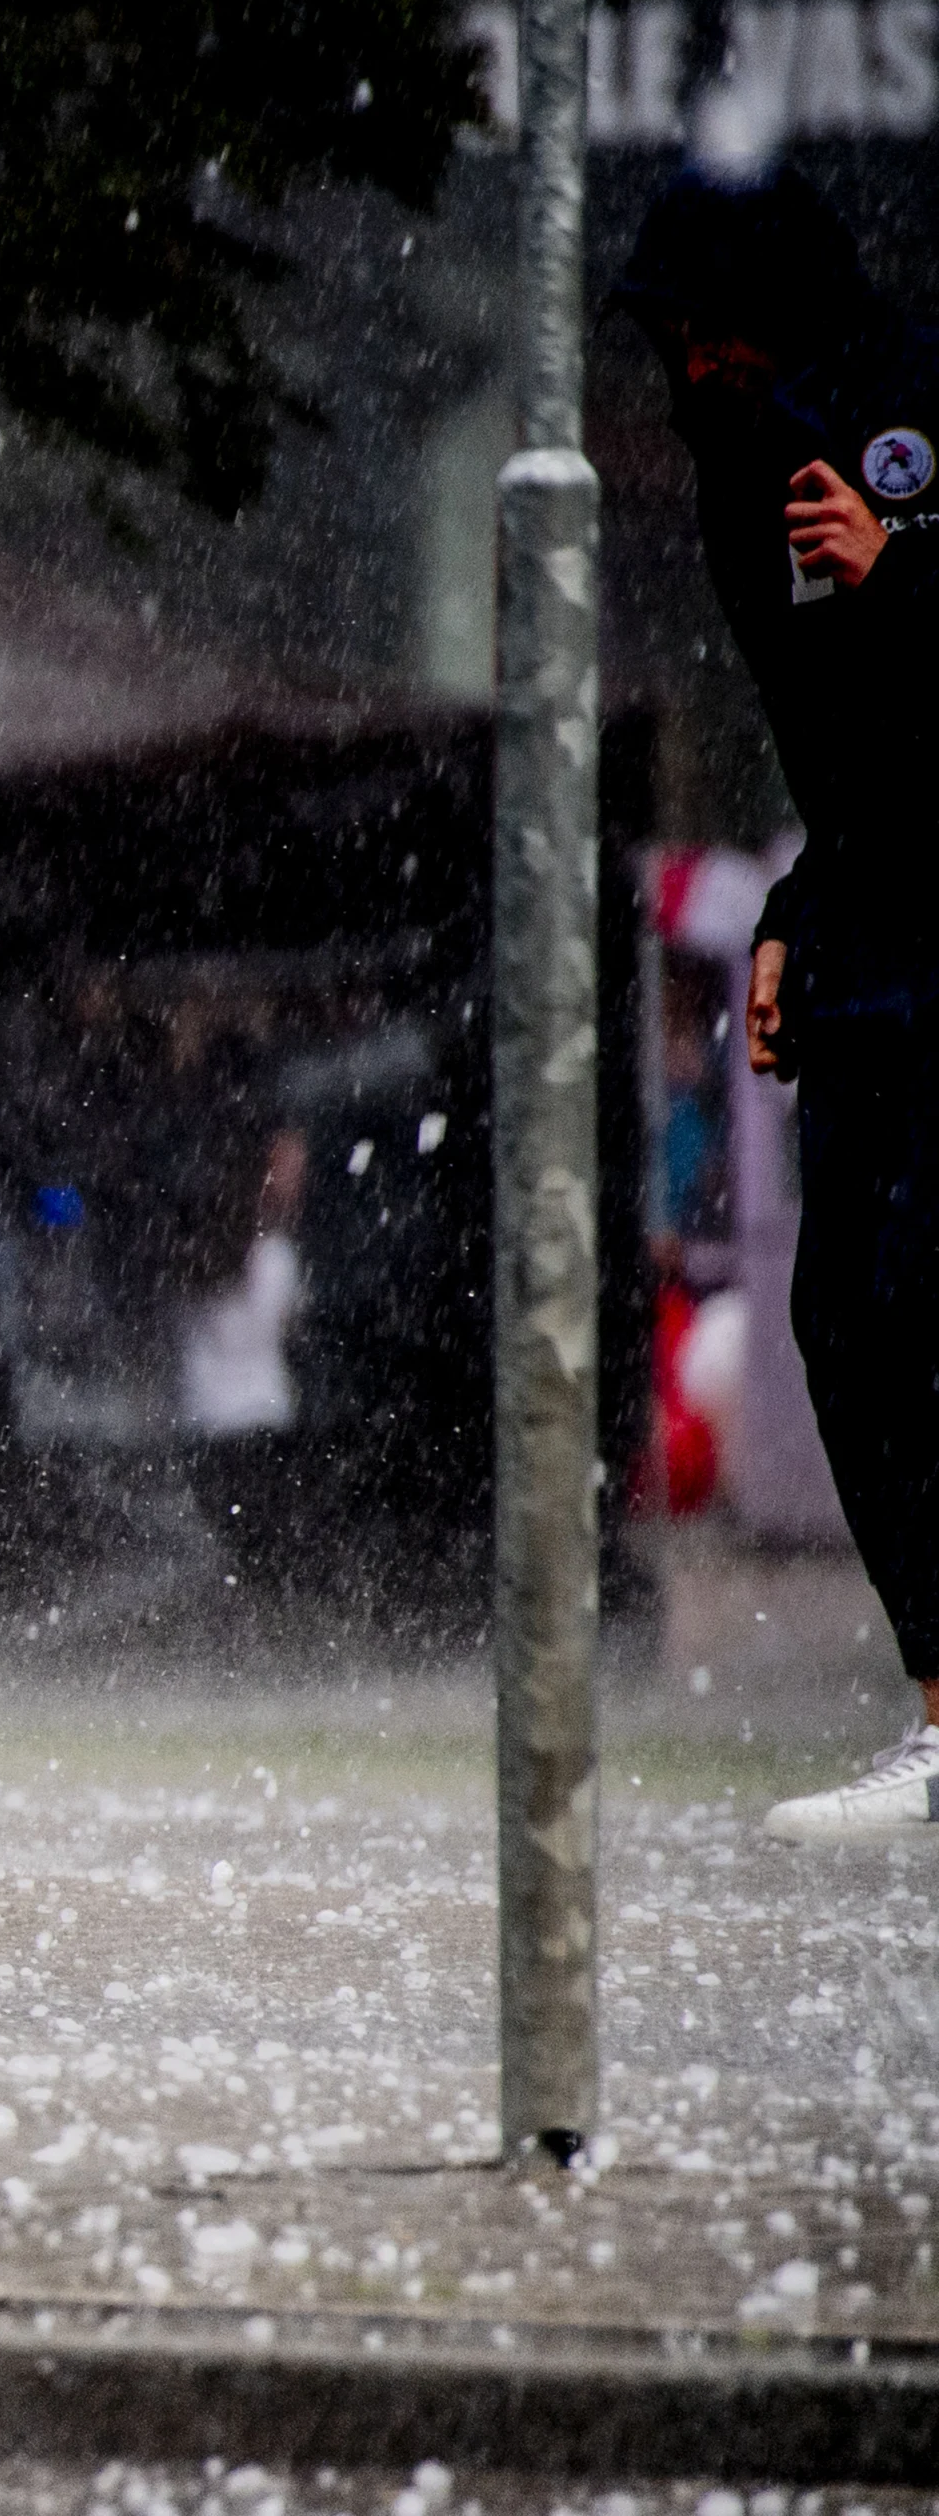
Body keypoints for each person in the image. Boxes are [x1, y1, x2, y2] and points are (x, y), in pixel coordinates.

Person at [619, 166, 939, 1839]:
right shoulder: (746, 487)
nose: (685, 371)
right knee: (848, 1320)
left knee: (917, 1289)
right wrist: (793, 922)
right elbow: (857, 754)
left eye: (700, 333)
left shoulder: (901, 412)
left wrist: (904, 570)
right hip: (876, 953)